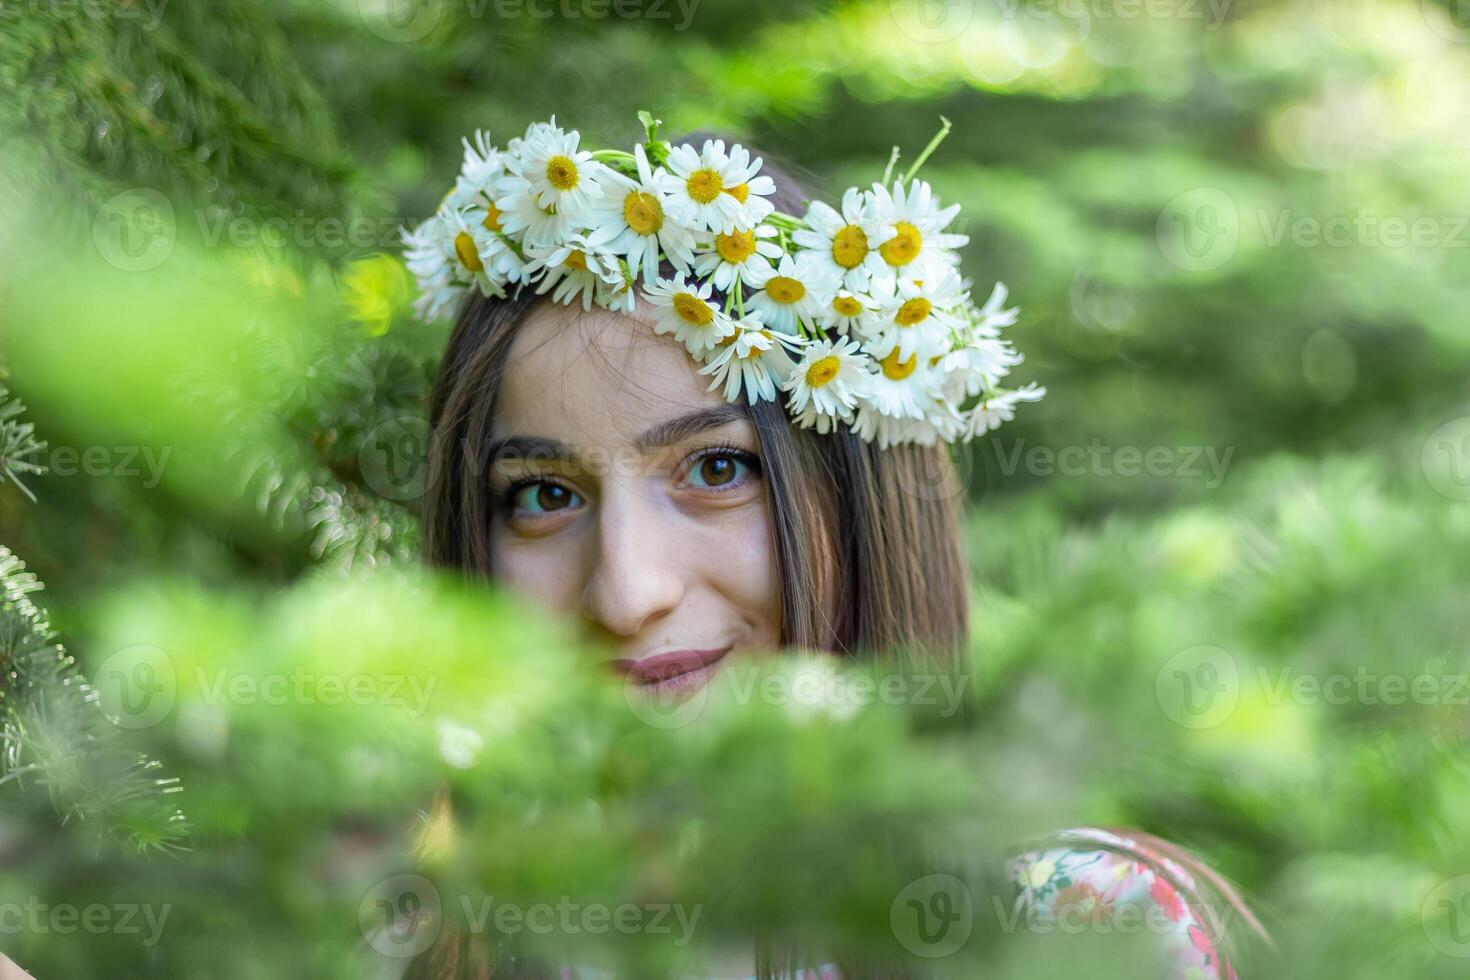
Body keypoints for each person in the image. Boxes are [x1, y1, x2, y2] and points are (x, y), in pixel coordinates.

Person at [405, 115, 1262, 979]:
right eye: (544, 496)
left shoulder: (1075, 931)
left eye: (716, 468)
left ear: (859, 497)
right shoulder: (388, 941)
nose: (627, 595)